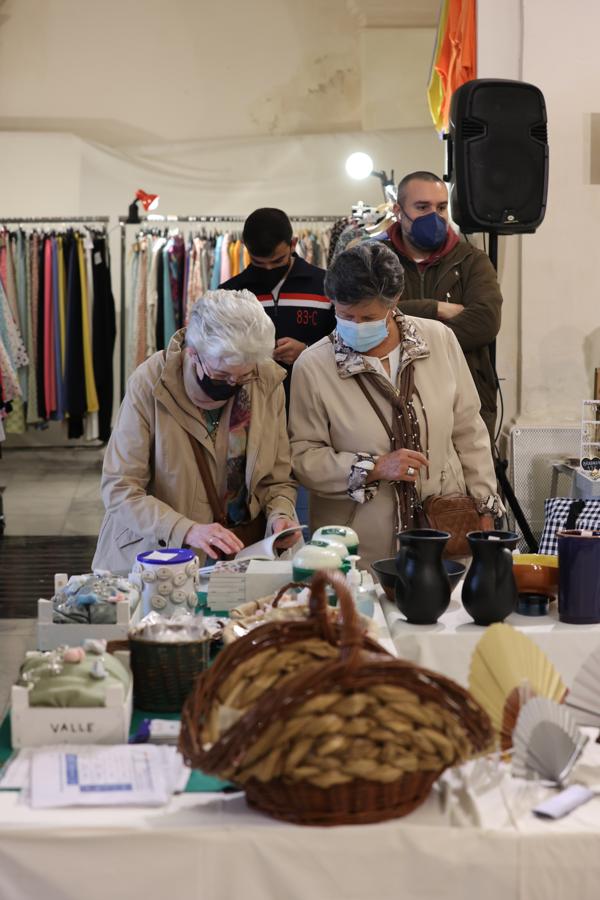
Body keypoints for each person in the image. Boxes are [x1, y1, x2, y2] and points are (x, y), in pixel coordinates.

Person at [288, 242, 502, 571]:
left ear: (395, 302)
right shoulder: (314, 366)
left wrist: (484, 508)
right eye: (345, 315)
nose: (356, 326)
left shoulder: (440, 341)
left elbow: (469, 432)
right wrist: (373, 468)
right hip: (357, 547)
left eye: (368, 317)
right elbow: (303, 456)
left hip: (445, 532)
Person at [93, 289, 299, 575]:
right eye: (221, 375)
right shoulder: (150, 383)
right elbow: (120, 487)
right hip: (157, 560)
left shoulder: (264, 382)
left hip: (240, 558)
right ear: (193, 353)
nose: (232, 384)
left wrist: (281, 515)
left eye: (242, 376)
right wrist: (185, 530)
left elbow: (277, 479)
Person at [386, 171, 502, 441]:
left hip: (464, 398)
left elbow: (485, 322)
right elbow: (368, 318)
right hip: (395, 399)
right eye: (422, 207)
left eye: (441, 207)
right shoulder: (374, 258)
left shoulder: (472, 260)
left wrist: (402, 329)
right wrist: (434, 309)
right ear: (398, 211)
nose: (434, 217)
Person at [220, 207, 335, 404]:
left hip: (313, 401)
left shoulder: (325, 285)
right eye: (259, 263)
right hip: (250, 406)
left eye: (277, 261)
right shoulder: (229, 293)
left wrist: (307, 352)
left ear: (293, 244)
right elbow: (218, 353)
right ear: (246, 249)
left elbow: (345, 346)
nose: (269, 268)